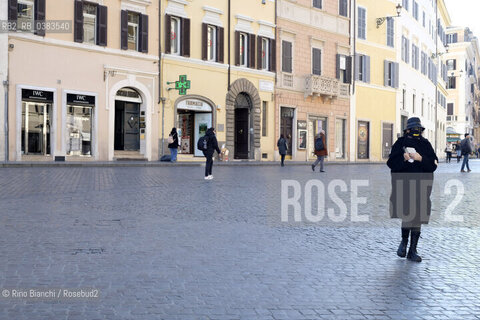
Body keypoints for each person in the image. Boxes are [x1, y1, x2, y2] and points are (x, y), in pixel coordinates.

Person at [387, 117, 438, 263]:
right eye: (412, 129)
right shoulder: (400, 143)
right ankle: (403, 244)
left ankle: (413, 250)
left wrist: (421, 158)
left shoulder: (426, 144)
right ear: (407, 130)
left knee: (418, 217)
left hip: (422, 186)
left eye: (418, 129)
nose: (415, 132)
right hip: (404, 185)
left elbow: (433, 165)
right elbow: (391, 163)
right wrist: (403, 158)